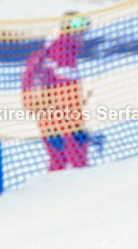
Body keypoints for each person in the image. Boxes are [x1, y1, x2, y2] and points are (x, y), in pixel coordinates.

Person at [22, 12, 93, 171]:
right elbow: (66, 97)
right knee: (79, 164)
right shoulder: (63, 53)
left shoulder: (48, 51)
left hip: (48, 123)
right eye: (80, 33)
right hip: (65, 124)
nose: (82, 38)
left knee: (58, 162)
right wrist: (78, 127)